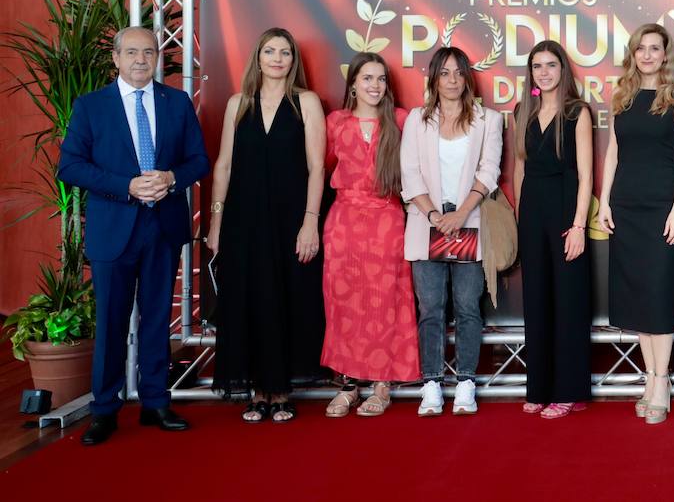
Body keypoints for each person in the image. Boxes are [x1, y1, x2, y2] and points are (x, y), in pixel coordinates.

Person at [58, 26, 210, 446]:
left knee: (158, 318)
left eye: (149, 52)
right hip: (114, 230)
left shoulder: (177, 103)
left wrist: (172, 177)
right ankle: (104, 409)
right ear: (116, 58)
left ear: (158, 57)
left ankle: (156, 402)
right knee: (110, 321)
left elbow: (199, 160)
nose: (142, 60)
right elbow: (70, 166)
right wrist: (125, 184)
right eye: (132, 53)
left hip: (162, 227)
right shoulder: (91, 106)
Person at [207, 27, 327, 423]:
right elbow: (223, 165)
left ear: (294, 61)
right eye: (270, 51)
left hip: (291, 217)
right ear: (258, 58)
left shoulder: (306, 102)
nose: (278, 58)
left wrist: (310, 222)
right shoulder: (237, 103)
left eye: (285, 52)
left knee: (286, 298)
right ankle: (257, 391)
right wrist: (216, 221)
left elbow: (316, 168)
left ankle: (280, 392)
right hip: (243, 219)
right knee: (249, 299)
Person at [599, 25, 674, 424]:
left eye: (655, 48)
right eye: (641, 48)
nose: (648, 55)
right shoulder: (621, 96)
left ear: (666, 54)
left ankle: (661, 382)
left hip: (661, 209)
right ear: (633, 54)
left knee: (658, 295)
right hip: (626, 207)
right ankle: (651, 377)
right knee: (637, 297)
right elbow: (612, 155)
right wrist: (603, 202)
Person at [400, 46, 503, 415]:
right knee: (430, 308)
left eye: (458, 73)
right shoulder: (416, 119)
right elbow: (409, 173)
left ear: (467, 77)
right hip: (427, 222)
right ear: (434, 78)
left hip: (469, 221)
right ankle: (431, 384)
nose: (452, 80)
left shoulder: (488, 120)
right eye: (444, 73)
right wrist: (434, 217)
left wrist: (460, 214)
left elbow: (489, 171)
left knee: (467, 307)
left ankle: (465, 383)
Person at [320, 53, 420, 418]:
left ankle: (381, 383)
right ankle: (347, 384)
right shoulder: (335, 122)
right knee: (342, 303)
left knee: (385, 302)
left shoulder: (401, 120)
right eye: (367, 78)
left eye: (381, 79)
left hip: (388, 220)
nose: (375, 85)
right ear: (353, 84)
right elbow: (324, 166)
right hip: (344, 221)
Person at [513, 40, 594, 419]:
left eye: (550, 65)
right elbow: (519, 169)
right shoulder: (522, 111)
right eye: (537, 66)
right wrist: (519, 220)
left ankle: (569, 389)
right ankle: (539, 387)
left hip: (566, 212)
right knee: (537, 302)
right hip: (532, 213)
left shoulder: (578, 112)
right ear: (530, 73)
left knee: (568, 303)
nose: (543, 72)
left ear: (563, 70)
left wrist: (579, 225)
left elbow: (585, 175)